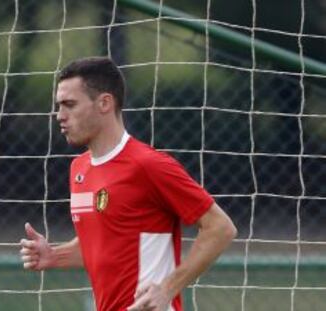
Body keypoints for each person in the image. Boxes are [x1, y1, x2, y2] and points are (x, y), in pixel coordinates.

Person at [20, 57, 237, 311]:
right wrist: (54, 256)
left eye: (69, 105)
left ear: (104, 103)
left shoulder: (148, 165)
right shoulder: (78, 168)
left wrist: (167, 288)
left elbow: (221, 228)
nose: (60, 116)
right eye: (59, 106)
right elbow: (106, 242)